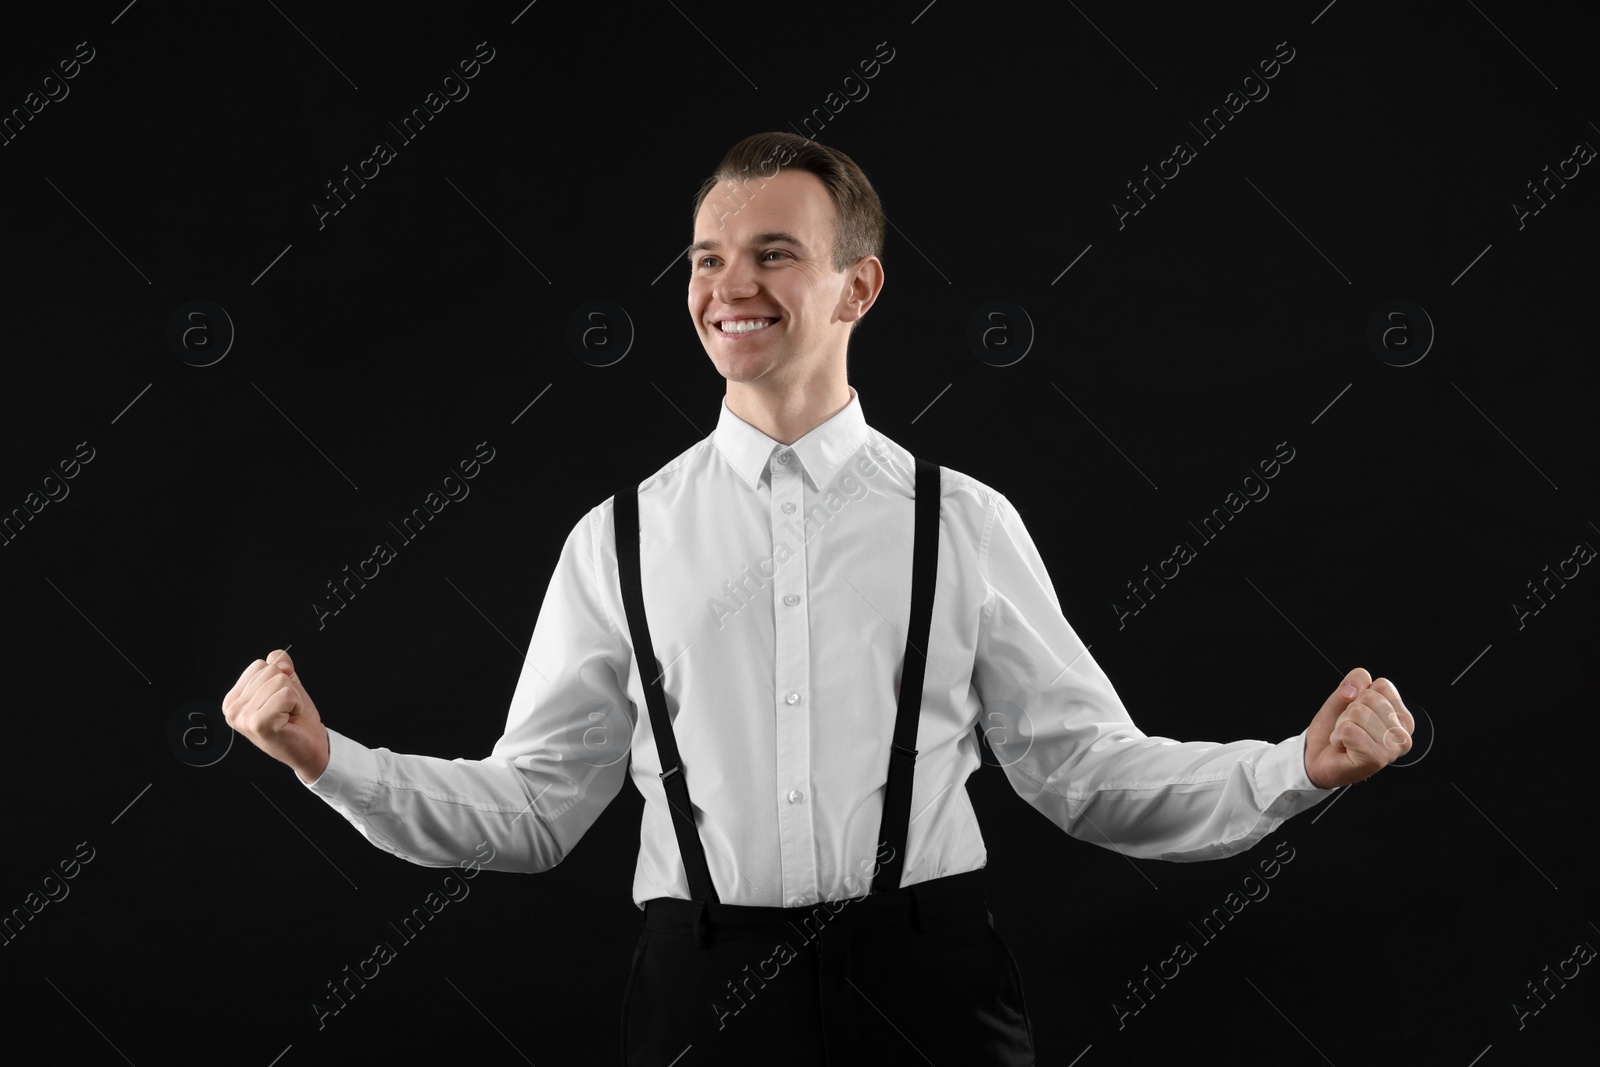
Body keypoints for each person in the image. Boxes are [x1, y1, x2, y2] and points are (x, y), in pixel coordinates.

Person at [221, 132, 1415, 1066]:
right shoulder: (618, 540)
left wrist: (1289, 769)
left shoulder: (963, 522)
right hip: (700, 999)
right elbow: (533, 811)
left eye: (772, 253)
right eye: (705, 259)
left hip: (931, 988)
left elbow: (1089, 774)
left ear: (857, 285)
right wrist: (331, 758)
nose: (727, 285)